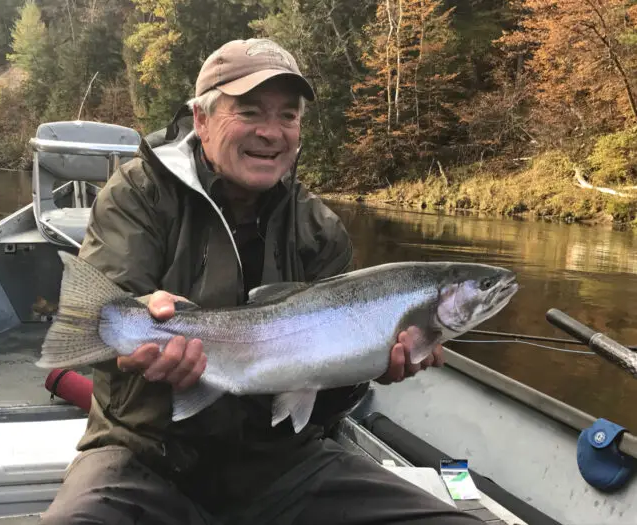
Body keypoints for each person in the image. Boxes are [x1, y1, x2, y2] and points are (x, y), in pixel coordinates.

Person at [41, 38, 480, 524]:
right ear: (201, 119)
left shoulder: (320, 230)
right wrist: (138, 323)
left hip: (281, 464)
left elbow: (318, 400)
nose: (272, 132)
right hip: (144, 455)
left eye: (288, 116)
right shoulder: (139, 194)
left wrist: (371, 367)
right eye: (250, 111)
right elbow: (111, 324)